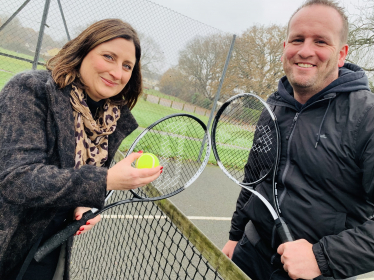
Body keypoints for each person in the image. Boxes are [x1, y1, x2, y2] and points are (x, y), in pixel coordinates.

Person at [222, 1, 374, 279]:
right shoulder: (273, 107)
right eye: (297, 39)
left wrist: (322, 258)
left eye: (320, 41)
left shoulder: (367, 117)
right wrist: (235, 235)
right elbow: (254, 179)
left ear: (341, 54)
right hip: (249, 253)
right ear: (284, 48)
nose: (305, 51)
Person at [0, 19, 162, 279]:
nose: (117, 72)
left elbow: (77, 180)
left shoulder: (108, 119)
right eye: (108, 57)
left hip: (50, 249)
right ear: (83, 51)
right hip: (9, 242)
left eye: (127, 66)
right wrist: (105, 180)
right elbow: (16, 179)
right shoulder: (30, 89)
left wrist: (84, 203)